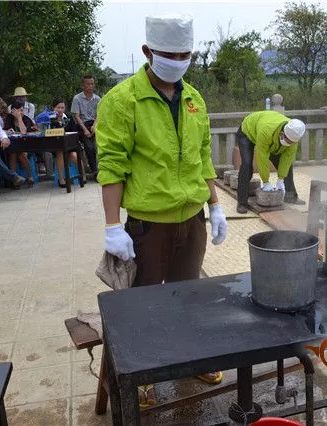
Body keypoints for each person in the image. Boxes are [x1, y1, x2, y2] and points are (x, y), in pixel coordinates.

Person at [96, 13, 227, 393]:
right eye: (169, 53)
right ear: (148, 52)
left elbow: (203, 156)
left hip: (193, 219)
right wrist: (111, 226)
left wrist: (215, 206)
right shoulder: (122, 101)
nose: (178, 60)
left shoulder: (193, 98)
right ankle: (146, 376)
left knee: (190, 296)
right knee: (147, 302)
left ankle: (191, 362)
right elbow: (111, 166)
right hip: (148, 225)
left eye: (185, 53)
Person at [236, 111, 306, 213]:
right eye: (288, 141)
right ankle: (242, 203)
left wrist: (281, 179)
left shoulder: (294, 136)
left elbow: (287, 158)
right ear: (283, 134)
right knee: (247, 165)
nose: (289, 144)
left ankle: (290, 196)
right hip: (248, 131)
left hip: (271, 137)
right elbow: (262, 158)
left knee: (287, 166)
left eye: (292, 142)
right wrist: (266, 182)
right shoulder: (266, 131)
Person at [50, 98, 85, 187]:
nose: (60, 110)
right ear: (53, 108)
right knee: (60, 152)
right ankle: (61, 179)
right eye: (58, 107)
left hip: (70, 145)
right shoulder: (50, 119)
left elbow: (75, 132)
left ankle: (83, 176)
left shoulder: (69, 118)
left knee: (74, 155)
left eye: (62, 107)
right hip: (57, 146)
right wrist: (56, 119)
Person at [71, 75, 101, 177]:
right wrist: (85, 130)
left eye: (92, 84)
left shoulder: (97, 98)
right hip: (82, 125)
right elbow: (76, 116)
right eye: (88, 84)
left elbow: (99, 114)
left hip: (95, 124)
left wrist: (95, 125)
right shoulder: (77, 98)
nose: (90, 86)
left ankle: (105, 169)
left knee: (103, 144)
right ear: (83, 85)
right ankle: (94, 171)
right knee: (89, 147)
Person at [3, 100, 37, 187]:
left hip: (27, 145)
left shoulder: (26, 119)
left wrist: (19, 118)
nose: (20, 112)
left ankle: (30, 177)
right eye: (18, 111)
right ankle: (15, 180)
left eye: (22, 110)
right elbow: (2, 130)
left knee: (21, 155)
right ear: (13, 111)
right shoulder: (9, 119)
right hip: (13, 145)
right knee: (13, 153)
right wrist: (7, 131)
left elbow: (23, 131)